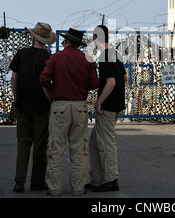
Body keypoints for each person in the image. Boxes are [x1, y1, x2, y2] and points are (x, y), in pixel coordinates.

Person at [39, 28, 99, 197]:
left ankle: (54, 189)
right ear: (79, 44)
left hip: (59, 106)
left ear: (65, 42)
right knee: (79, 150)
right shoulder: (87, 58)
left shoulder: (56, 57)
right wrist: (81, 87)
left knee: (55, 149)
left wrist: (54, 90)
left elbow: (43, 79)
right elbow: (95, 83)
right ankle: (78, 189)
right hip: (80, 106)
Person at [9, 22, 56, 193]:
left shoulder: (22, 54)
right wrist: (49, 101)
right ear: (46, 40)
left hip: (23, 105)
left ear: (33, 37)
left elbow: (14, 77)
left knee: (23, 143)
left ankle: (19, 181)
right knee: (40, 145)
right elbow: (47, 83)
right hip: (41, 107)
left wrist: (16, 97)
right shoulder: (48, 57)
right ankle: (37, 181)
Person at [85, 25, 127, 192]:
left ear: (96, 38)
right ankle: (96, 179)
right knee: (95, 141)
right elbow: (124, 77)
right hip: (117, 103)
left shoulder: (104, 57)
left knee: (106, 142)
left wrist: (99, 102)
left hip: (108, 105)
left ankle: (111, 179)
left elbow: (111, 82)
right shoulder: (116, 54)